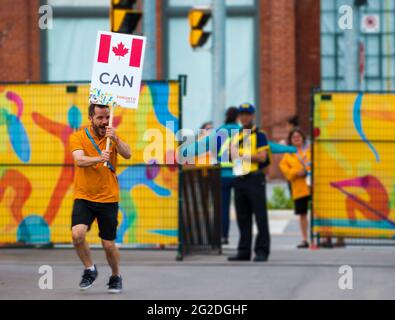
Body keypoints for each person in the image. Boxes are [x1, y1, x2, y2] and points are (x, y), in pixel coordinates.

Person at [69, 103, 131, 293]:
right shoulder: (78, 137)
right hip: (84, 196)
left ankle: (115, 275)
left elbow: (128, 154)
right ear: (91, 119)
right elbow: (79, 160)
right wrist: (99, 158)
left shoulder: (112, 135)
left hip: (108, 197)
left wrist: (116, 139)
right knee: (77, 235)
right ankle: (90, 269)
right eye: (100, 118)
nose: (104, 122)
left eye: (106, 117)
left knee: (108, 244)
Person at [181, 108, 241, 244]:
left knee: (222, 208)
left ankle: (223, 236)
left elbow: (202, 146)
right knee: (242, 209)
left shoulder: (220, 131)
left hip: (222, 174)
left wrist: (183, 151)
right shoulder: (243, 131)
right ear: (238, 117)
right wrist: (289, 149)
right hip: (239, 174)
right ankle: (245, 240)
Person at [228, 103, 271, 262]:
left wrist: (240, 154)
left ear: (253, 116)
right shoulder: (237, 135)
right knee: (242, 217)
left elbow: (262, 157)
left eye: (247, 114)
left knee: (260, 217)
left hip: (254, 178)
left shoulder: (259, 135)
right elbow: (230, 155)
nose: (244, 117)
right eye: (242, 114)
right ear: (239, 117)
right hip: (239, 178)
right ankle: (244, 251)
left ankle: (262, 251)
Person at [279, 128, 311, 249]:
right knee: (302, 214)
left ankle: (321, 237)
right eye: (294, 137)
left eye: (299, 136)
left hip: (312, 186)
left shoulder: (310, 151)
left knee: (318, 212)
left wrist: (306, 171)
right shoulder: (287, 155)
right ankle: (304, 239)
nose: (297, 139)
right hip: (299, 187)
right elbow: (285, 171)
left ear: (303, 138)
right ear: (290, 141)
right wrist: (297, 172)